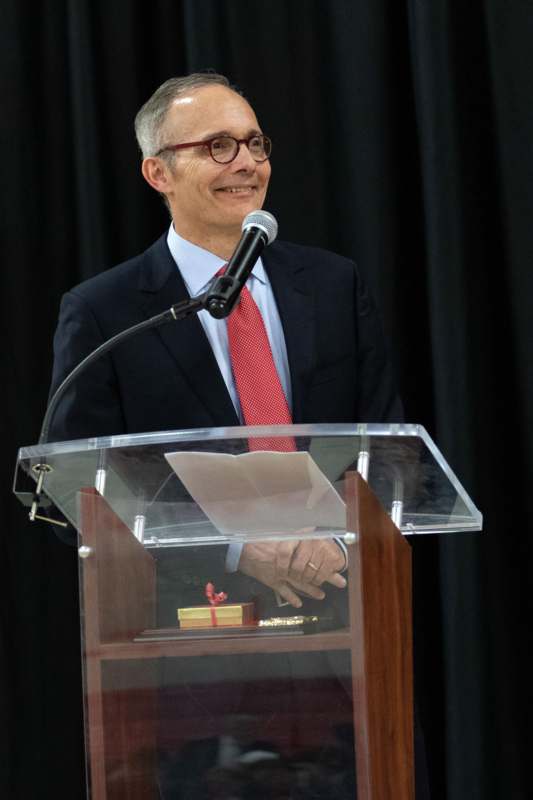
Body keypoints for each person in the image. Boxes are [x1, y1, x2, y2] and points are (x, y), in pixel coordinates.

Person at [49, 73, 427, 798]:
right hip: (192, 653)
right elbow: (78, 486)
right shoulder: (107, 311)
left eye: (254, 143)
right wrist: (235, 547)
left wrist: (333, 536)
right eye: (218, 146)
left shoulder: (332, 285)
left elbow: (384, 445)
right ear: (158, 171)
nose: (247, 163)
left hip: (342, 623)